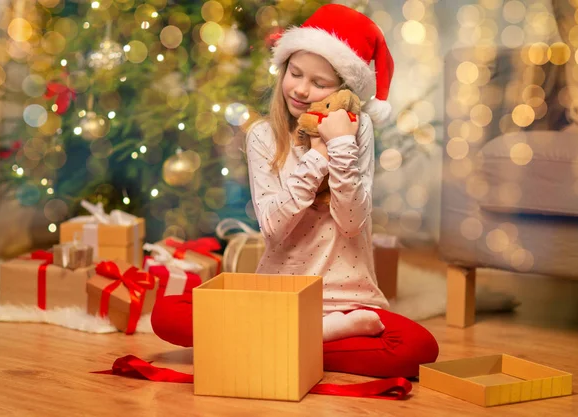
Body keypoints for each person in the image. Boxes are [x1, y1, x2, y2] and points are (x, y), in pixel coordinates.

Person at [151, 4, 438, 378]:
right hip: (278, 298)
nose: (301, 89)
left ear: (345, 93)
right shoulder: (262, 136)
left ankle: (272, 341)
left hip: (348, 302)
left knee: (419, 349)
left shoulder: (359, 129)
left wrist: (340, 146)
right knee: (166, 314)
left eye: (320, 84)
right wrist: (318, 157)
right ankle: (317, 337)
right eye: (295, 73)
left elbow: (352, 223)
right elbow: (273, 227)